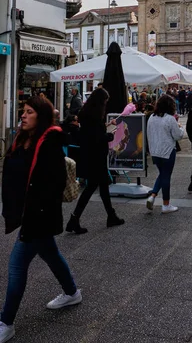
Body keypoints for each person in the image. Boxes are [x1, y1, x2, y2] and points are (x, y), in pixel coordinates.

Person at [0, 96, 81, 343]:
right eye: (22, 111)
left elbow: (52, 186)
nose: (23, 115)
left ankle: (6, 322)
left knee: (16, 266)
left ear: (41, 116)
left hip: (39, 216)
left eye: (29, 112)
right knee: (51, 254)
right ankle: (72, 293)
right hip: (29, 213)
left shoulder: (49, 144)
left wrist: (35, 213)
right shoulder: (23, 140)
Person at [66, 88, 124, 234]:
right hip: (96, 156)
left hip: (90, 155)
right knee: (92, 187)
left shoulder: (86, 114)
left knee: (102, 186)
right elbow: (97, 137)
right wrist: (110, 136)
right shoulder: (94, 117)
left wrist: (106, 126)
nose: (106, 104)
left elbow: (91, 134)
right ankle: (74, 218)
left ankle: (111, 215)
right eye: (105, 102)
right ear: (100, 102)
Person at [146, 94, 184, 213]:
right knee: (166, 176)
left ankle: (152, 196)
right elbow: (178, 136)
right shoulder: (170, 119)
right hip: (167, 151)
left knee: (162, 174)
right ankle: (166, 204)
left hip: (155, 151)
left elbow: (148, 133)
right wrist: (181, 127)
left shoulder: (152, 117)